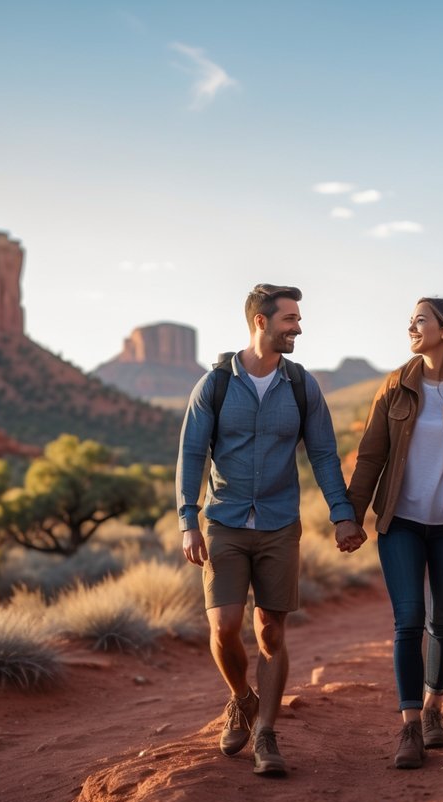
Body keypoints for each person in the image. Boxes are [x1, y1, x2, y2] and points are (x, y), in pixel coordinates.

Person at [176, 283, 366, 777]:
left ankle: (266, 734)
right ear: (261, 322)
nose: (298, 327)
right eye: (290, 320)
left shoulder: (301, 385)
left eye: (298, 319)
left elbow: (324, 454)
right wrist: (187, 519)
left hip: (281, 523)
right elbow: (192, 455)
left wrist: (342, 513)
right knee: (223, 627)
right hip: (224, 521)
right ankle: (243, 697)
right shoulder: (214, 385)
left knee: (271, 631)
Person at [346, 297, 443, 769]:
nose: (411, 327)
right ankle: (410, 726)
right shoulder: (396, 386)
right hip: (402, 523)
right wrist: (350, 517)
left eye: (420, 320)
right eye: (412, 321)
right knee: (409, 619)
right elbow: (371, 456)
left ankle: (435, 707)